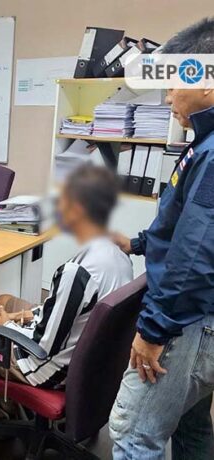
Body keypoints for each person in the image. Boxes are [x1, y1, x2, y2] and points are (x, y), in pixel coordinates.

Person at [0, 165, 133, 427]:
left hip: (47, 367)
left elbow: (44, 346)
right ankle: (3, 396)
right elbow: (68, 310)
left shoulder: (76, 272)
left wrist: (7, 326)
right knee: (3, 300)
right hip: (86, 355)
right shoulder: (119, 255)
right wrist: (18, 314)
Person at [109, 18, 214, 460]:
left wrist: (153, 331)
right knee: (191, 426)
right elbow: (184, 225)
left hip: (187, 321)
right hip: (199, 316)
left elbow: (196, 254)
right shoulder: (202, 143)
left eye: (172, 85)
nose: (168, 97)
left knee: (133, 435)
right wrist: (138, 243)